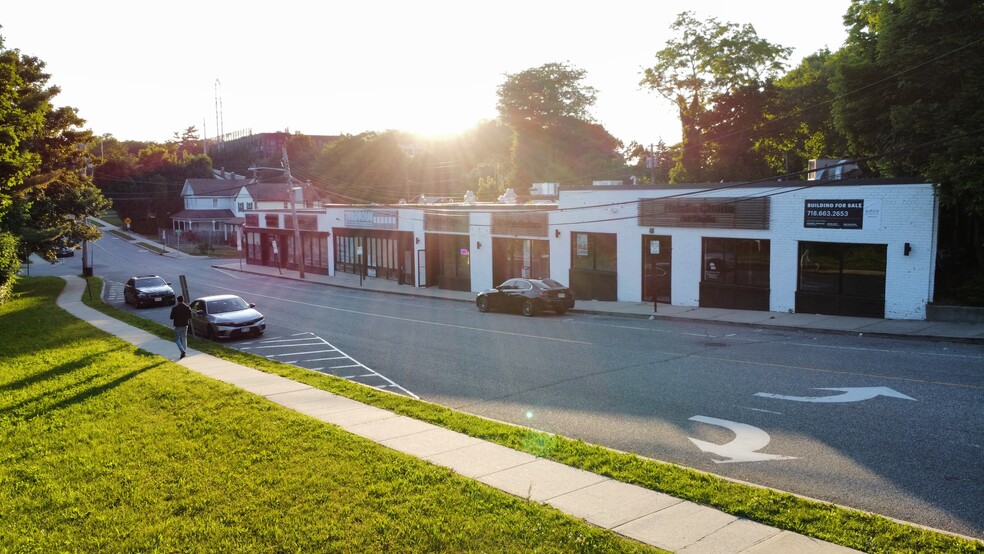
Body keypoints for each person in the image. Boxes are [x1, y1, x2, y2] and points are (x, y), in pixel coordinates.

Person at [169, 295, 192, 359]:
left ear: (177, 300)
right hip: (185, 325)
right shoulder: (187, 307)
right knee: (184, 338)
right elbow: (190, 316)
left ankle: (182, 350)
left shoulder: (175, 308)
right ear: (183, 300)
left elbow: (171, 317)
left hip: (178, 326)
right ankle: (184, 352)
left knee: (177, 339)